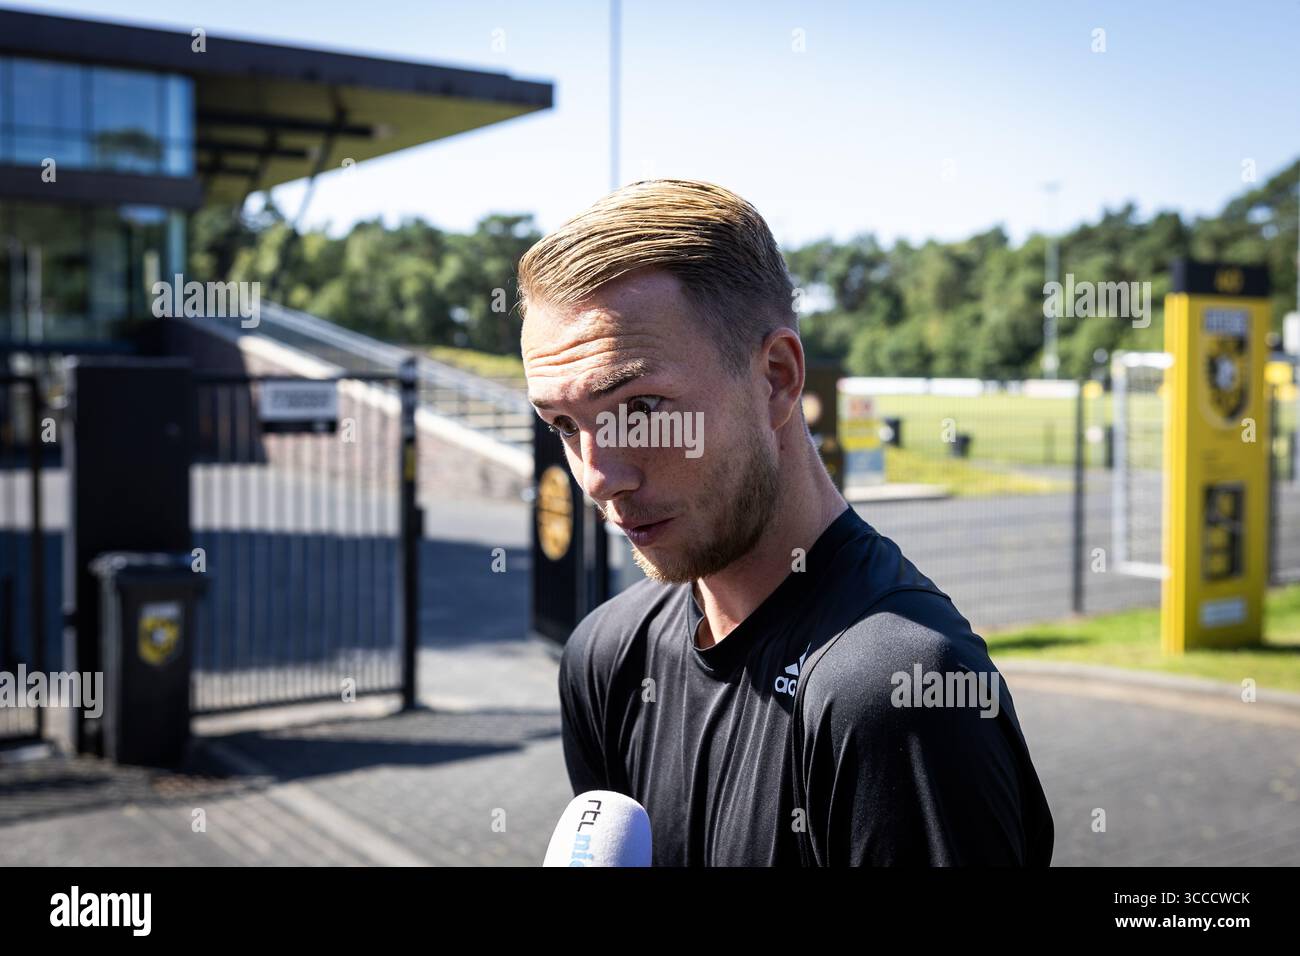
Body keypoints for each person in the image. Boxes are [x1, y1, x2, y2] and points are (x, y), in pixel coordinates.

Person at [518, 179, 1054, 866]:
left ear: (776, 376)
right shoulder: (607, 659)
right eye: (564, 425)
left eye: (641, 409)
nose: (598, 476)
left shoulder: (899, 693)